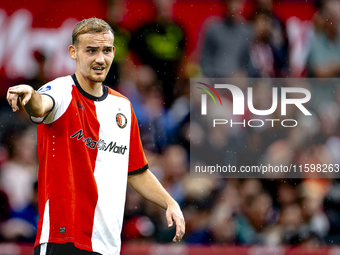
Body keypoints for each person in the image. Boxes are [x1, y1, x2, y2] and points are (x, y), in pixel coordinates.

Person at [6, 18, 185, 255]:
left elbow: (136, 171)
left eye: (106, 50)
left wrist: (169, 202)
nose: (100, 59)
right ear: (74, 52)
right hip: (63, 241)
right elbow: (40, 105)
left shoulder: (123, 106)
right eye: (91, 50)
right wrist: (30, 94)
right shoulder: (60, 90)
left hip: (108, 245)